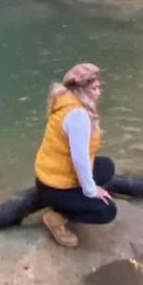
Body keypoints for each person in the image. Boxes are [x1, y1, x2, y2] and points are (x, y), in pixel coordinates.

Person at [30, 62, 115, 247]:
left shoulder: (65, 100)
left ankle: (67, 202)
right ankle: (56, 218)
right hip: (55, 186)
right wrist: (91, 191)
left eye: (99, 87)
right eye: (94, 88)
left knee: (107, 166)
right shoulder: (77, 115)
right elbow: (80, 159)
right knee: (107, 211)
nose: (99, 92)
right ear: (82, 91)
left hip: (48, 176)